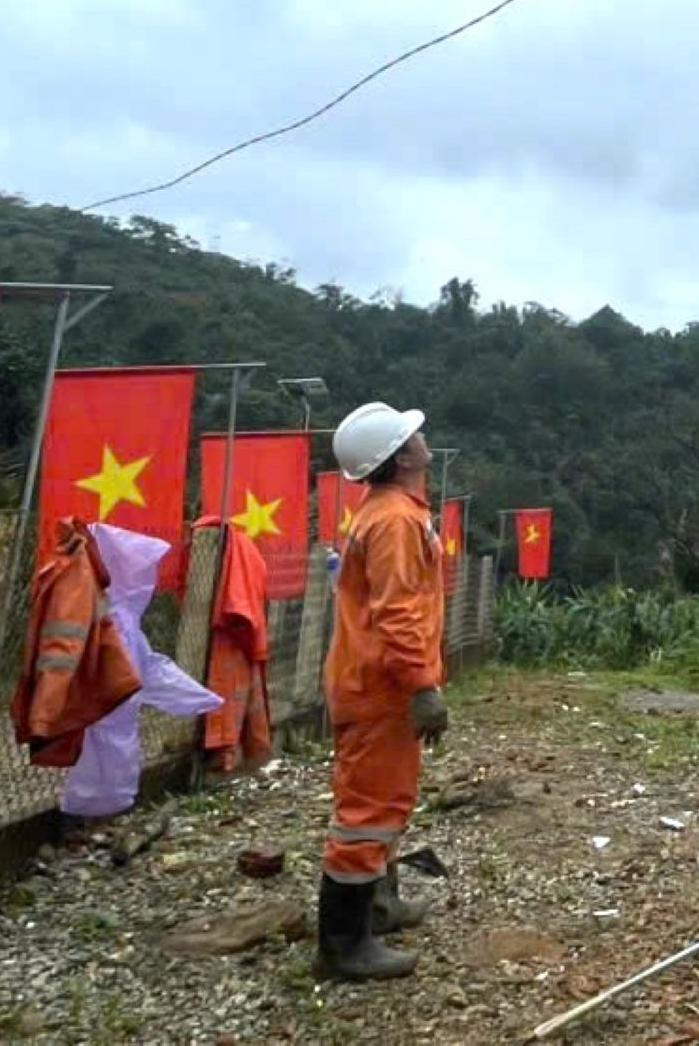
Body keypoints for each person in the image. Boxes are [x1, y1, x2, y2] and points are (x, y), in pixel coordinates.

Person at [317, 401, 451, 981]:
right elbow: (397, 612)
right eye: (411, 436)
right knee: (367, 812)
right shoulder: (395, 519)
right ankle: (344, 945)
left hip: (375, 682)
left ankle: (377, 907)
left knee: (388, 799)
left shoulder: (387, 511)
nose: (422, 438)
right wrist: (422, 685)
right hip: (382, 687)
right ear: (400, 458)